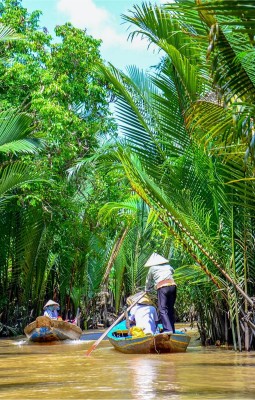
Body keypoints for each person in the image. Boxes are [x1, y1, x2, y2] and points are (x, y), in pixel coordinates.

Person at [145, 252, 176, 333]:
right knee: (170, 309)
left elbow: (148, 280)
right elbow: (173, 272)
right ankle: (172, 329)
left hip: (162, 288)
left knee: (162, 309)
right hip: (173, 286)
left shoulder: (152, 268)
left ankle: (168, 330)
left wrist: (147, 289)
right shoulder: (168, 266)